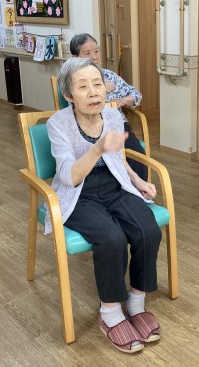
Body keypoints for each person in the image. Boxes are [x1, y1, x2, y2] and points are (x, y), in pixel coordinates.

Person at [47, 57, 162, 353]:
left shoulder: (112, 116)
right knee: (112, 238)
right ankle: (110, 313)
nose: (93, 92)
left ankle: (136, 303)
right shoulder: (57, 123)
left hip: (114, 184)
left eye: (97, 84)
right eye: (83, 87)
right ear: (69, 95)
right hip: (79, 193)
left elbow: (119, 159)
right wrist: (97, 148)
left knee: (148, 230)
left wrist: (137, 181)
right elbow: (69, 177)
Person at [69, 33, 148, 181]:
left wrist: (123, 100)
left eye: (96, 51)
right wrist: (102, 89)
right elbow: (79, 107)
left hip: (117, 126)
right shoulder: (73, 80)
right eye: (87, 53)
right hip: (88, 130)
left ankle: (139, 191)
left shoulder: (109, 76)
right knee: (104, 164)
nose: (94, 57)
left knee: (138, 157)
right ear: (75, 58)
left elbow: (136, 94)